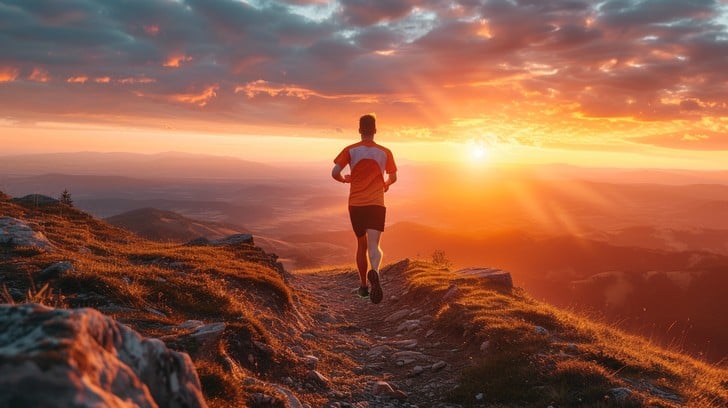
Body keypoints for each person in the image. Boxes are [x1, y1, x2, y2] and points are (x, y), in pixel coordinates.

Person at [332, 114, 397, 304]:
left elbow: (335, 172)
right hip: (377, 202)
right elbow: (393, 177)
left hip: (356, 204)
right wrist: (386, 184)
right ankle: (375, 272)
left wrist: (345, 179)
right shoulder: (385, 152)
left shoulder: (350, 150)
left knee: (361, 245)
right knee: (375, 245)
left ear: (359, 130)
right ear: (375, 130)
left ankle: (363, 287)